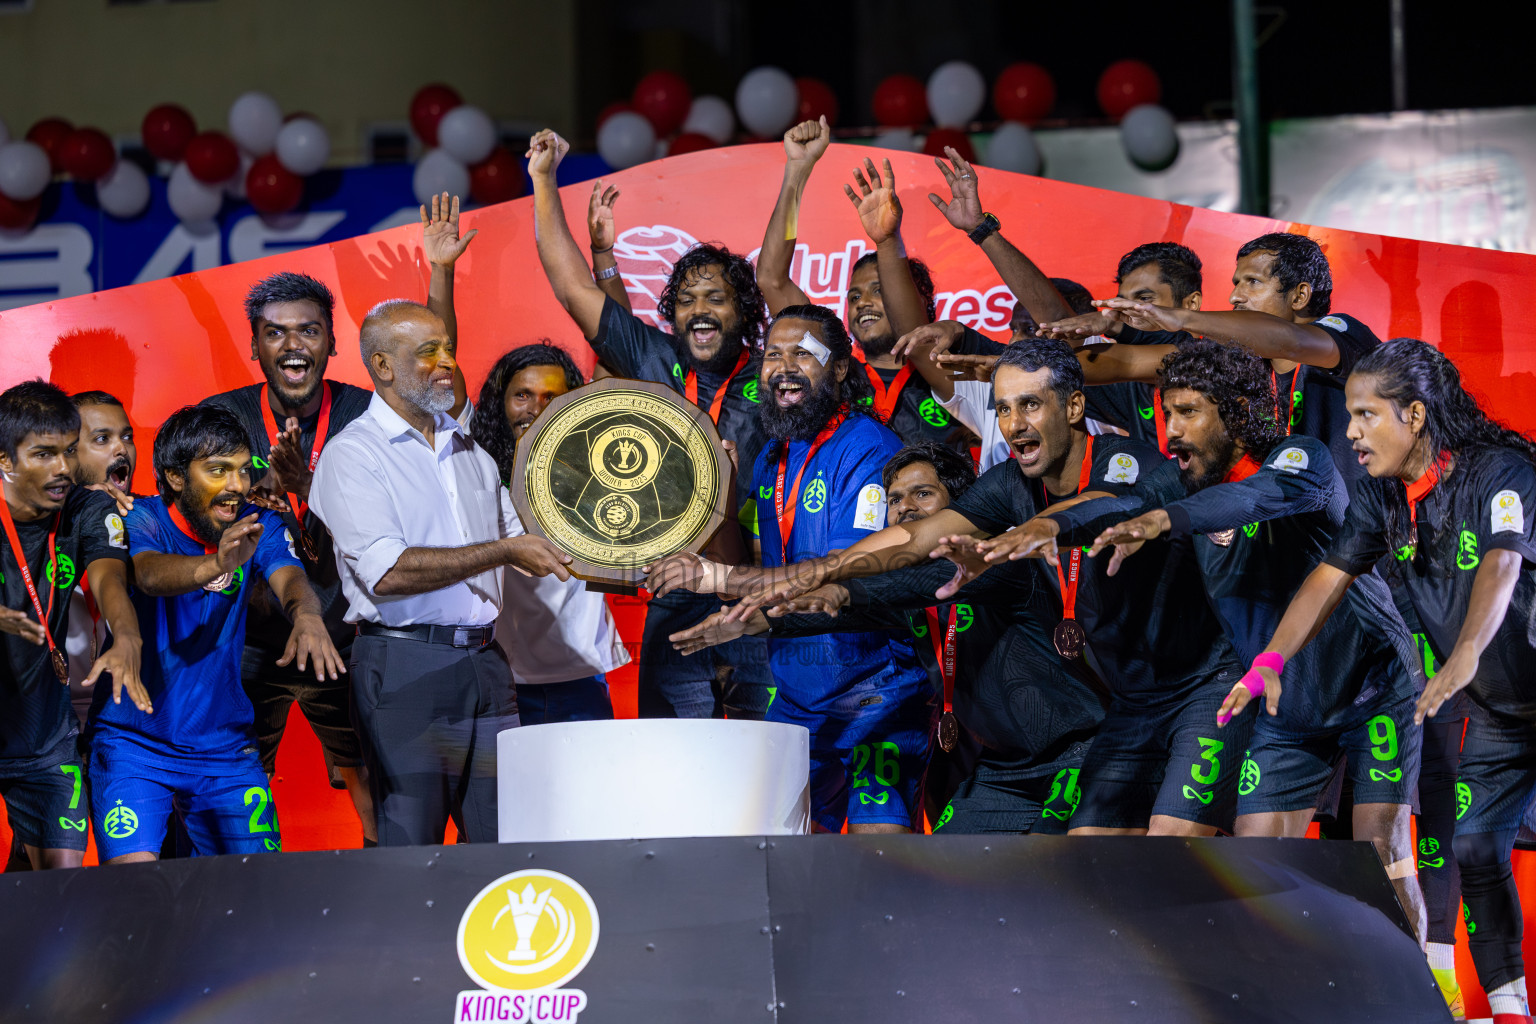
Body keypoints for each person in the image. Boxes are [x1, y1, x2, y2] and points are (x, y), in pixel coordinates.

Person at [1044, 341, 1426, 941]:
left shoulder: (1303, 457)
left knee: (1382, 854)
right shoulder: (1181, 479)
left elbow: (1251, 499)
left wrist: (1163, 520)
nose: (1173, 431)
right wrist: (1046, 526)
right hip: (1281, 701)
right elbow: (1121, 501)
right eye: (1167, 413)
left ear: (1238, 410)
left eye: (1189, 412)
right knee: (1254, 868)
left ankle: (1429, 997)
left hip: (1371, 683)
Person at [1241, 339, 1536, 1022]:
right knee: (1474, 848)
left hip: (1507, 680)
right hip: (1494, 713)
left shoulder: (1503, 471)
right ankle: (1510, 1007)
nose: (1349, 433)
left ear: (1414, 414)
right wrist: (1272, 660)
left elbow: (1502, 564)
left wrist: (1464, 653)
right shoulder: (1381, 498)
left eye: (1365, 415)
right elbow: (1327, 578)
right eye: (1348, 415)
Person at [200, 195, 475, 847]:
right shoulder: (221, 416)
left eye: (308, 330)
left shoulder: (367, 412)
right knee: (231, 779)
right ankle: (230, 902)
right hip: (247, 636)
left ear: (331, 340)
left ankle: (384, 903)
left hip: (350, 633)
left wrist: (440, 276)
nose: (293, 344)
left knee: (372, 780)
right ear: (256, 346)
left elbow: (435, 376)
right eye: (276, 331)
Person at [675, 436, 1107, 835]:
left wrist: (746, 581)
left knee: (1071, 887)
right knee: (954, 890)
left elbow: (890, 590)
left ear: (963, 506)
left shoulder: (993, 561)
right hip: (1002, 768)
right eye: (894, 500)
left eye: (922, 494)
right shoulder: (914, 593)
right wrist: (758, 622)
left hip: (1077, 756)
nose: (905, 510)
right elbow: (862, 611)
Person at [651, 305, 934, 833]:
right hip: (798, 699)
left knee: (883, 862)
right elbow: (748, 568)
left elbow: (844, 576)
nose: (782, 367)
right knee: (784, 863)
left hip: (876, 694)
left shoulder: (867, 448)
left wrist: (721, 582)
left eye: (803, 354)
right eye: (772, 356)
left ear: (840, 371)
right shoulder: (770, 458)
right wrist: (723, 498)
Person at [527, 127, 771, 721]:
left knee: (759, 775)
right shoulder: (654, 358)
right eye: (686, 300)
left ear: (742, 309)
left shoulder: (776, 379)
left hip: (752, 594)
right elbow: (570, 285)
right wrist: (542, 180)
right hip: (673, 591)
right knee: (674, 774)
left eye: (715, 298)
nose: (699, 311)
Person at [308, 300, 572, 847]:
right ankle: (409, 938)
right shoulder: (353, 455)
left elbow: (526, 535)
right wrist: (502, 551)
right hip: (406, 667)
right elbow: (390, 573)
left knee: (505, 836)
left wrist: (629, 544)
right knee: (412, 842)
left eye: (448, 348)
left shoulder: (470, 450)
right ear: (381, 366)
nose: (446, 362)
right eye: (428, 352)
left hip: (487, 665)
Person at [88, 404, 339, 862]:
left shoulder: (254, 521)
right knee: (134, 891)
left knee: (257, 895)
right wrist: (216, 564)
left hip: (225, 750)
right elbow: (148, 574)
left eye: (243, 471)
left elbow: (291, 580)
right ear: (177, 477)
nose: (237, 486)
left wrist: (307, 617)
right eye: (218, 471)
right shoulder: (140, 517)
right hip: (135, 745)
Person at [1041, 233, 1381, 486]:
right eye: (1236, 283)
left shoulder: (1343, 334)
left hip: (1368, 550)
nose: (1235, 295)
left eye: (1252, 282)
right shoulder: (1240, 362)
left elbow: (1289, 341)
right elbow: (1129, 361)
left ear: (1300, 295)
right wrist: (1021, 366)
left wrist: (1181, 319)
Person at [755, 118, 978, 450]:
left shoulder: (945, 372)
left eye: (879, 290)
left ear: (922, 302)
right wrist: (797, 172)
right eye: (854, 296)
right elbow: (772, 279)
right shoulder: (833, 366)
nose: (863, 303)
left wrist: (887, 241)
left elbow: (914, 338)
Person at [0, 381, 146, 870]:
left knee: (60, 892)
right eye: (44, 454)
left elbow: (109, 580)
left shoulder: (87, 507)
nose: (63, 468)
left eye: (67, 452)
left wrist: (127, 635)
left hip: (46, 739)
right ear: (5, 461)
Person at [469, 343, 629, 724]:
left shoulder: (601, 471)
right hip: (503, 677)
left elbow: (611, 346)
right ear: (499, 403)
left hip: (581, 674)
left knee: (586, 786)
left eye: (550, 397)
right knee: (509, 786)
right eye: (522, 395)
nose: (536, 409)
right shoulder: (478, 470)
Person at [66, 390, 137, 726]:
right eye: (102, 438)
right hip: (45, 730)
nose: (120, 448)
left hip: (123, 725)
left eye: (126, 436)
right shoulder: (34, 532)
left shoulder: (153, 526)